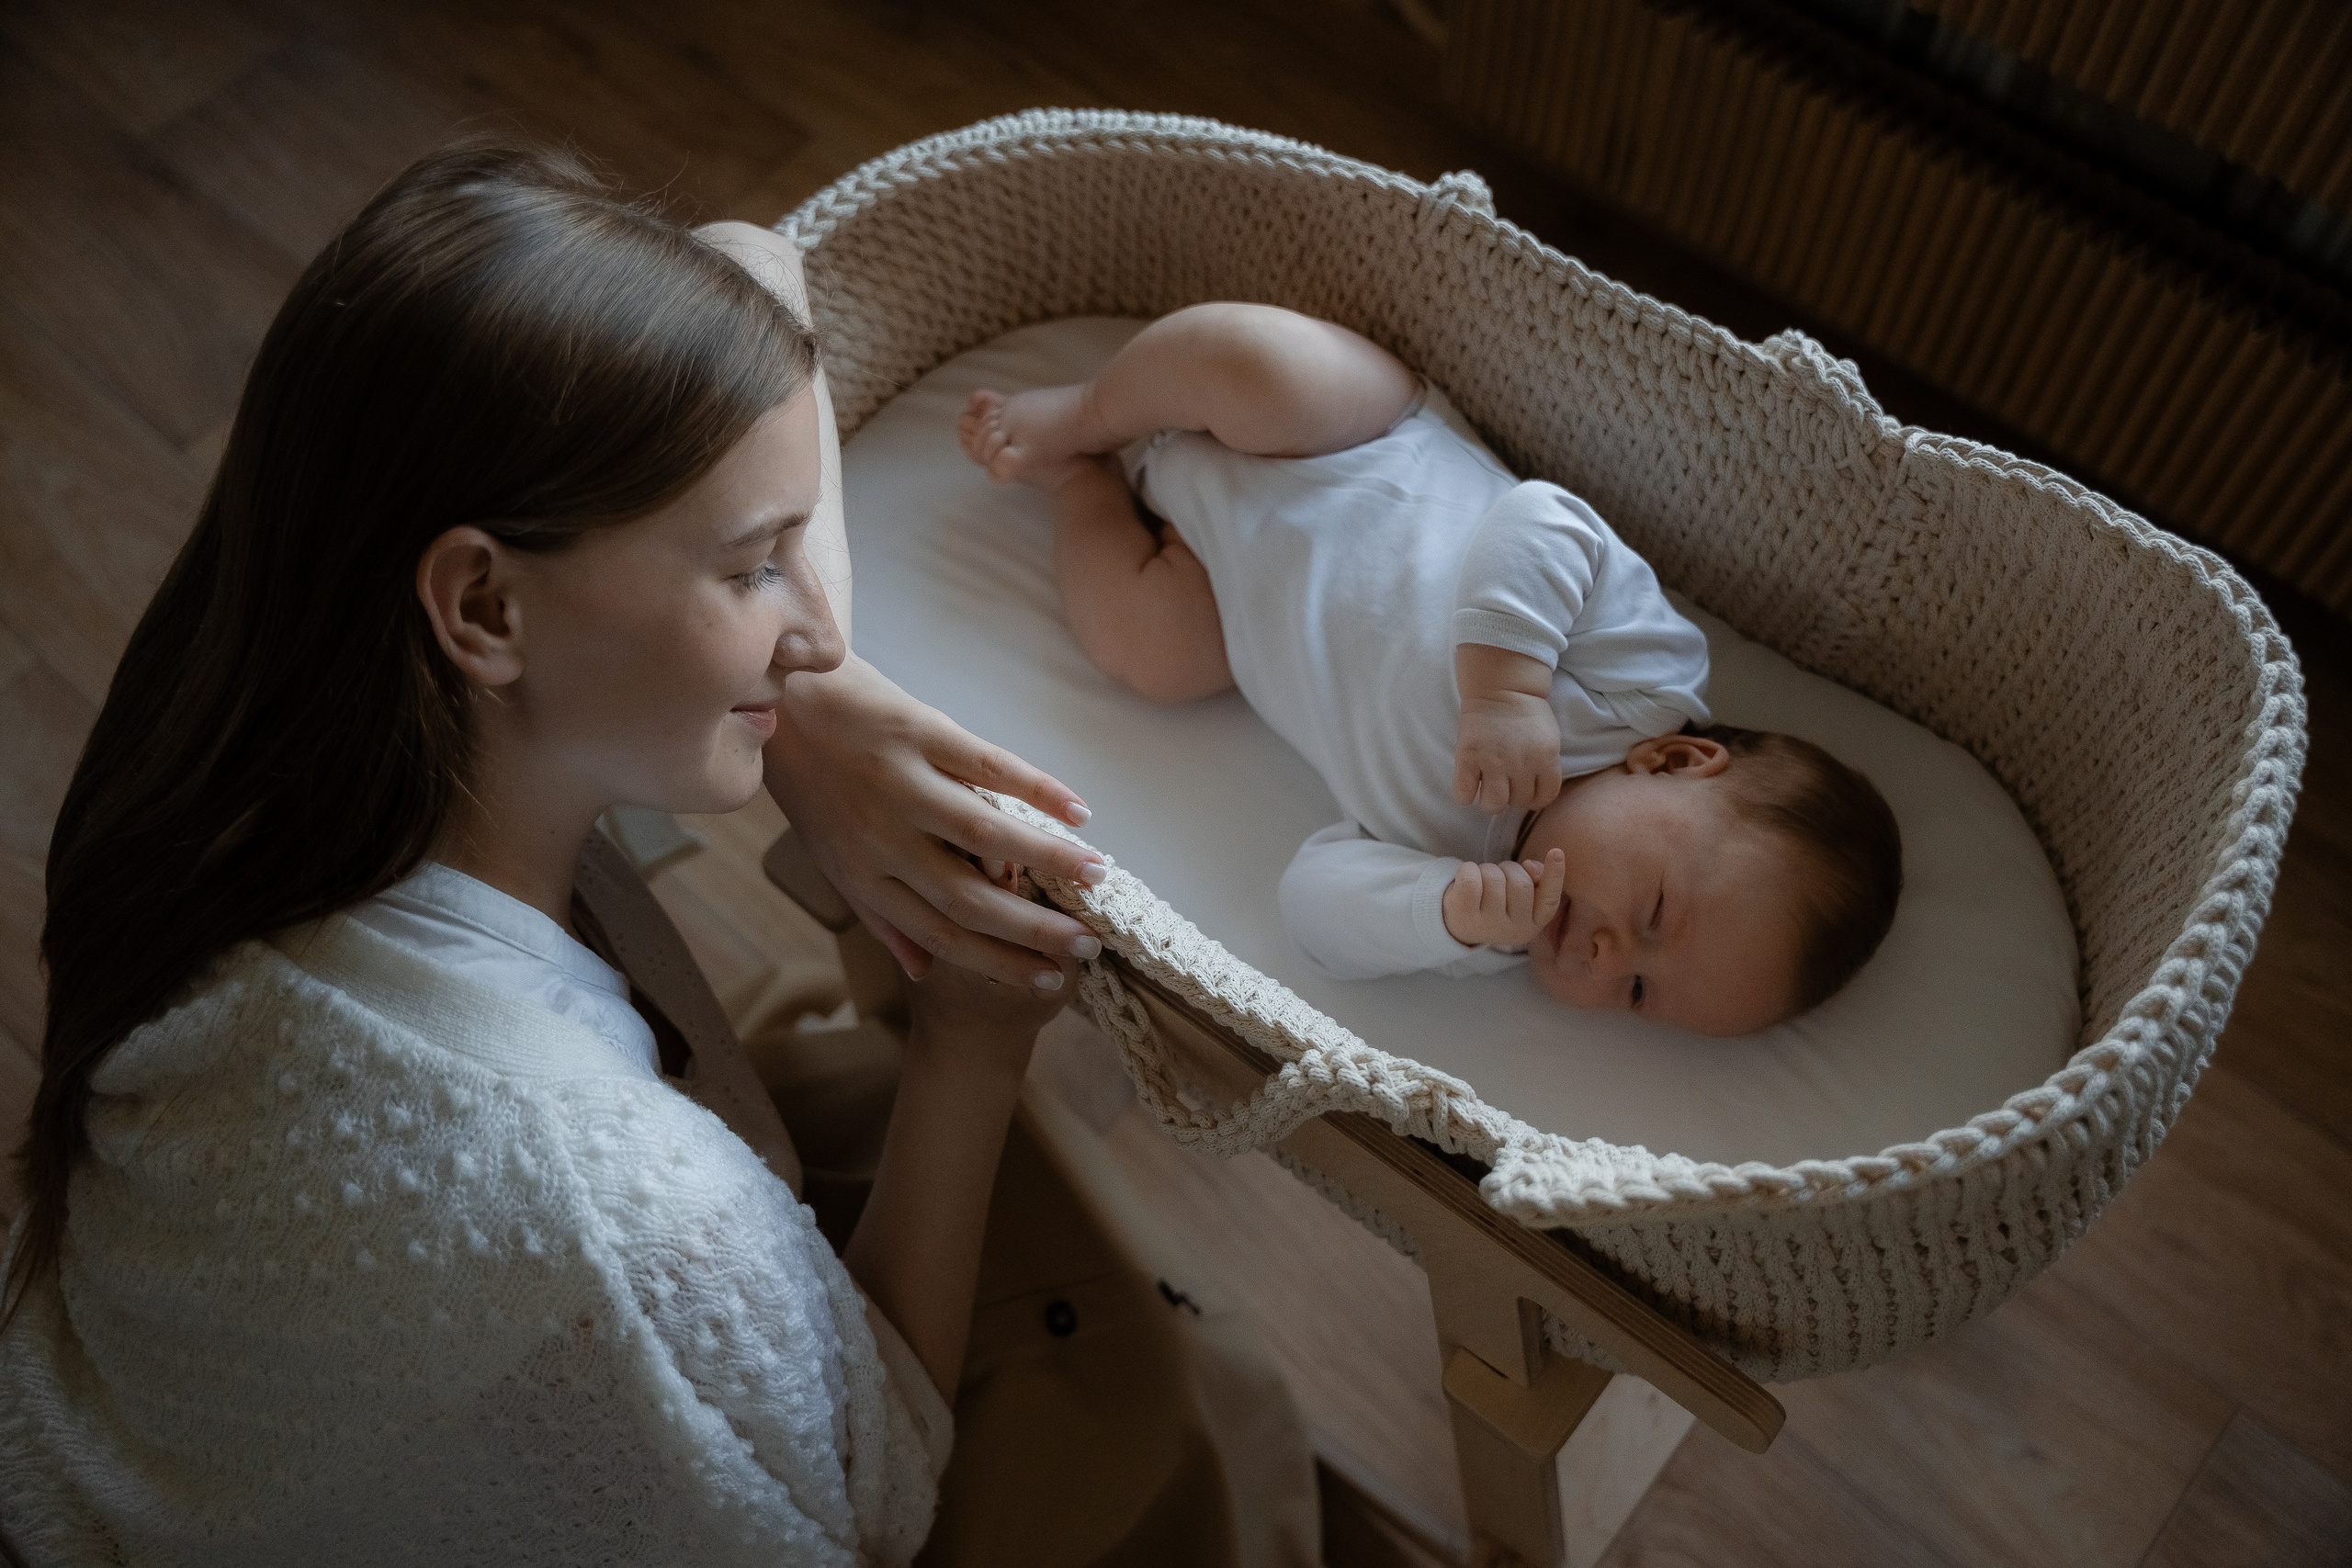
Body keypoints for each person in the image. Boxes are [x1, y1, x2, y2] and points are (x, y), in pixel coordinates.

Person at [0, 142, 1114, 1567]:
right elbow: (868, 1492)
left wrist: (813, 717)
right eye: (751, 564)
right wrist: (971, 1038)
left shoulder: (231, 764)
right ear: (484, 606)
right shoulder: (626, 1222)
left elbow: (752, 259)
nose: (825, 631)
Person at [959, 303, 1902, 1035]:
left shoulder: (1473, 905)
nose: (1605, 957)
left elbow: (1313, 907)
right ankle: (1086, 416)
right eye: (1653, 911)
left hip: (1215, 582)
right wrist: (1507, 687)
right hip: (1347, 442)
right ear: (1678, 764)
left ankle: (1082, 483)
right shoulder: (1641, 693)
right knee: (1261, 367)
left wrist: (1440, 914)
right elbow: (1545, 521)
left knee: (1148, 655)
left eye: (1638, 992)